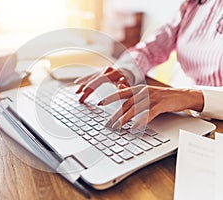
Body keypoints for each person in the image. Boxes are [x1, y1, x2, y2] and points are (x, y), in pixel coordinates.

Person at [74, 0, 223, 129]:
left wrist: (193, 97)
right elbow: (151, 48)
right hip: (199, 120)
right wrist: (126, 69)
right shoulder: (194, 4)